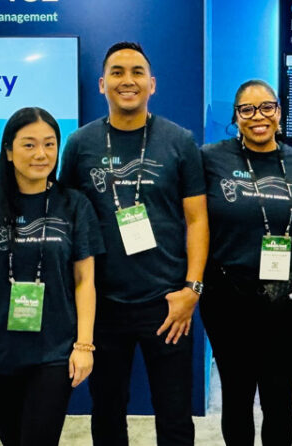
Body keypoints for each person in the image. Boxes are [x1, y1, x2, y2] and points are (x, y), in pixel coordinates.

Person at [58, 41, 208, 446]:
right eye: (119, 72)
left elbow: (197, 219)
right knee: (106, 412)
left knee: (175, 416)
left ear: (152, 84)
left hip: (167, 304)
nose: (128, 80)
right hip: (103, 304)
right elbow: (66, 222)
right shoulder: (79, 144)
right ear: (103, 83)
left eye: (137, 72)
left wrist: (191, 290)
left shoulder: (179, 142)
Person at [0, 107, 103, 446]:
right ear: (8, 150)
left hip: (53, 351)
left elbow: (85, 281)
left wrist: (84, 345)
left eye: (50, 145)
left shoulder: (74, 205)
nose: (41, 154)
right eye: (29, 145)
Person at [199, 79, 292, 446]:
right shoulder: (210, 159)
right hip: (226, 296)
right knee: (236, 398)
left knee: (278, 399)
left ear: (279, 112)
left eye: (267, 107)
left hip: (282, 300)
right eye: (247, 110)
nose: (258, 117)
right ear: (236, 117)